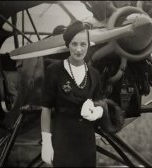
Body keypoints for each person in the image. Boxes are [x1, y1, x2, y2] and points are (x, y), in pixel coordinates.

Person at [40, 21, 104, 167]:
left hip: (87, 142)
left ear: (89, 44)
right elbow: (46, 108)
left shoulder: (94, 75)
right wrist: (46, 142)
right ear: (68, 44)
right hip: (63, 139)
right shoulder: (54, 71)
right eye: (74, 44)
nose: (79, 50)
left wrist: (98, 111)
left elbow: (99, 102)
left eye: (83, 44)